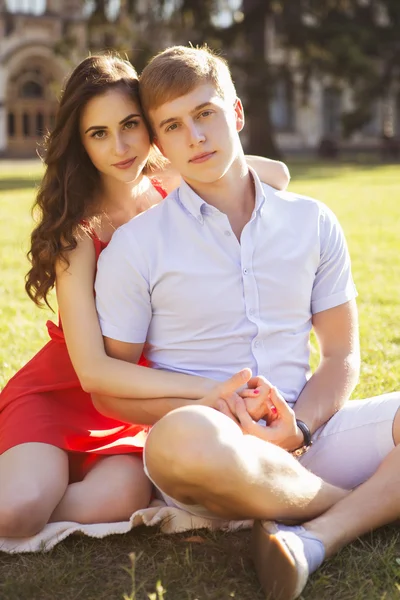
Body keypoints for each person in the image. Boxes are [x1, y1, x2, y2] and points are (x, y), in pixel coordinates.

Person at [93, 46, 400, 600]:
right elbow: (114, 390)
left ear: (235, 113)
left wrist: (299, 428)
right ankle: (357, 500)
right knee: (183, 438)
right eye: (174, 126)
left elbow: (340, 356)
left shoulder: (312, 221)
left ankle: (316, 537)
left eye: (205, 113)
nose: (195, 136)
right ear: (160, 145)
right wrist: (215, 406)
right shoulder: (135, 247)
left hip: (309, 434)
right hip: (205, 453)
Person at [0, 53, 290, 539]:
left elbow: (276, 174)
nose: (120, 147)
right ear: (81, 143)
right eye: (99, 134)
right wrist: (202, 391)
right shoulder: (78, 232)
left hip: (133, 407)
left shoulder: (168, 187)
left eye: (131, 125)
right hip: (67, 392)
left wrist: (185, 155)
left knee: (119, 500)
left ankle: (47, 479)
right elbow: (91, 370)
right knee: (20, 511)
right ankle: (30, 478)